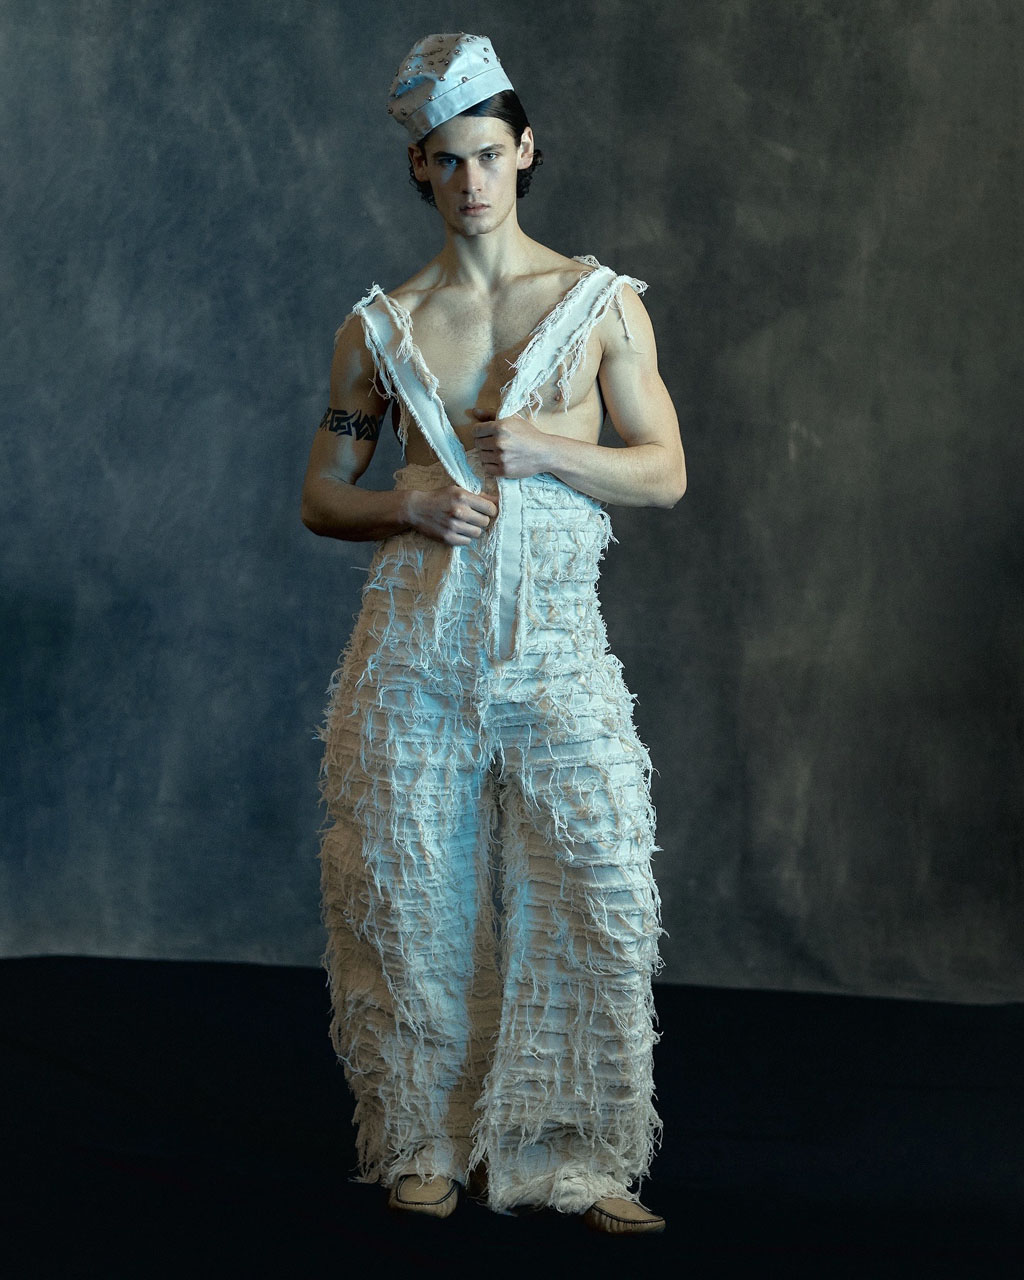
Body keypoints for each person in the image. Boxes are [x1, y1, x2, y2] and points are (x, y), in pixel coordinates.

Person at [301, 32, 685, 1236]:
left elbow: (664, 470)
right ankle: (420, 1137)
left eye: (488, 154)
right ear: (419, 167)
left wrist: (551, 451)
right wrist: (405, 505)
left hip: (555, 650)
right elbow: (321, 493)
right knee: (408, 891)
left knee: (596, 883)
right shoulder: (381, 327)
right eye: (446, 159)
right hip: (412, 655)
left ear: (524, 151)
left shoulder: (600, 305)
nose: (470, 181)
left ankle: (576, 1153)